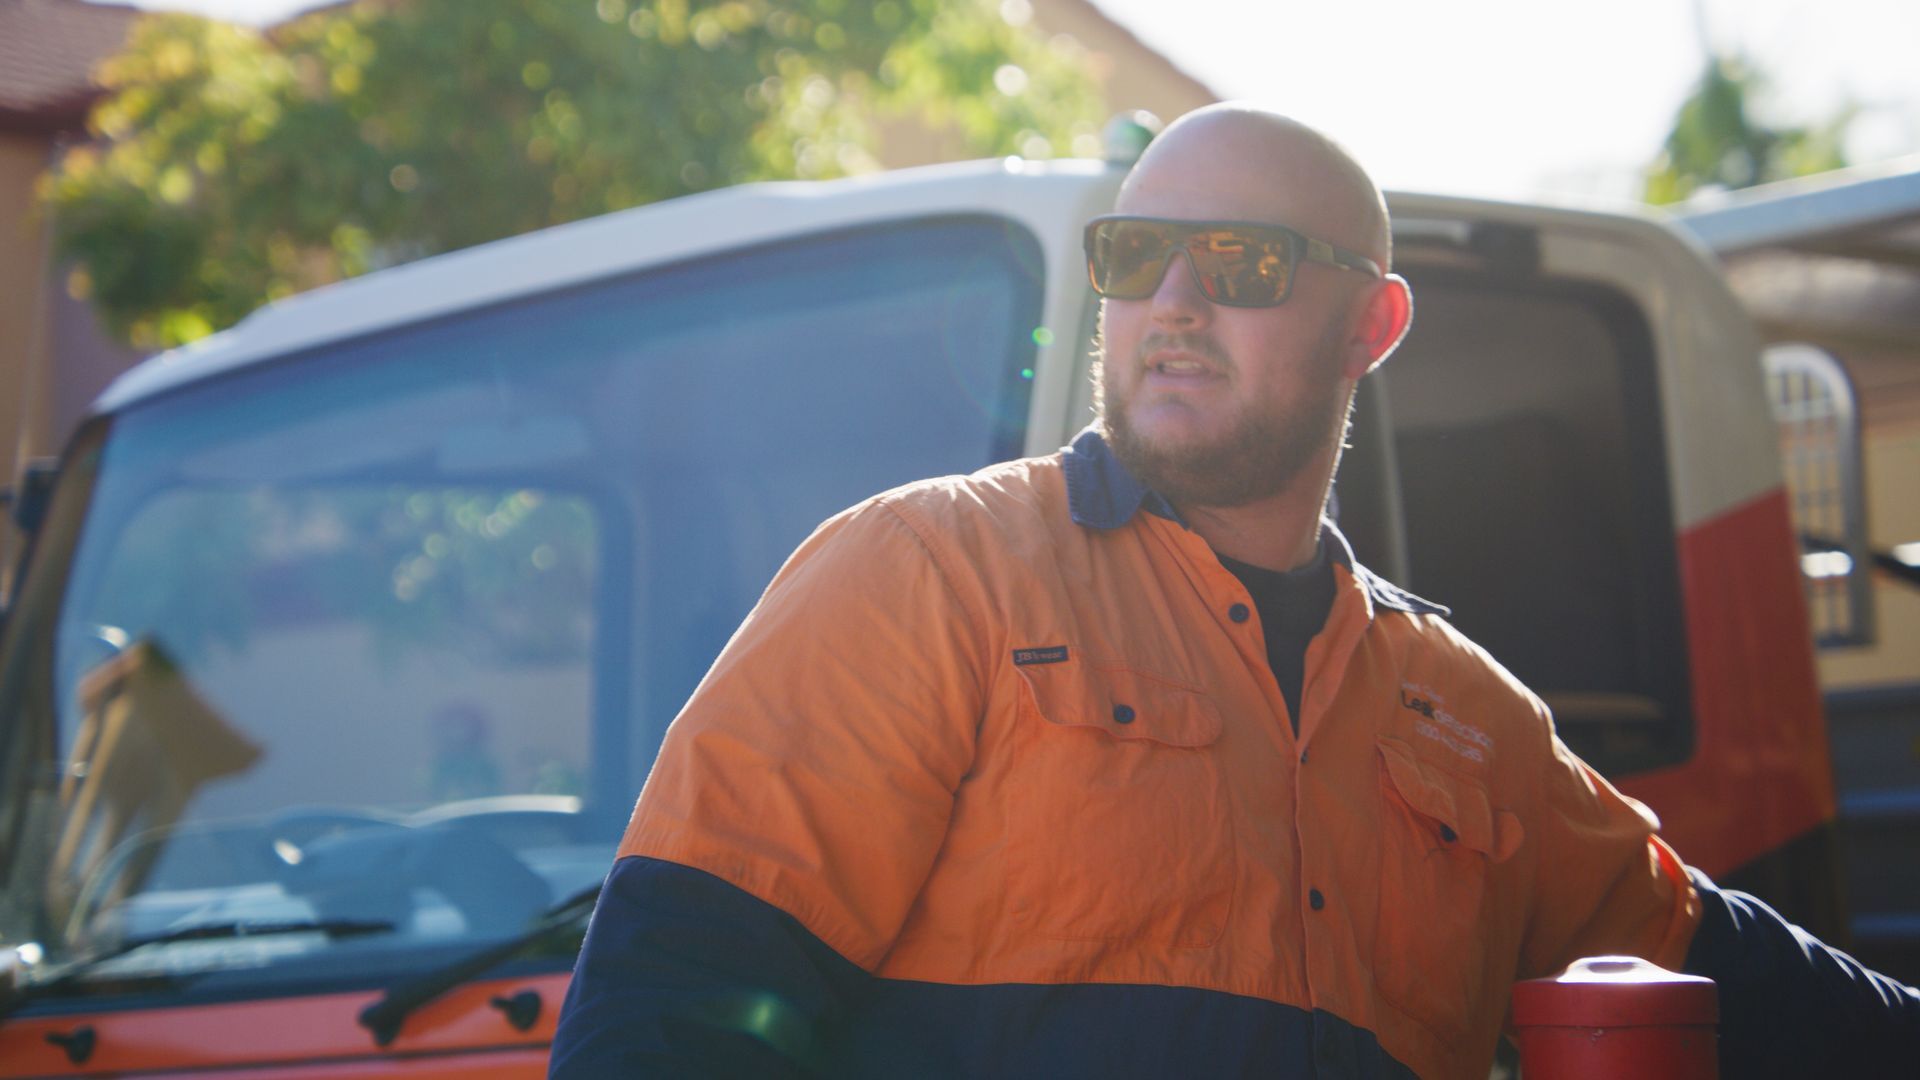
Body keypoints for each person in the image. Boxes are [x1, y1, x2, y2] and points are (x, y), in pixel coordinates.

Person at [549, 104, 1919, 1079]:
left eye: (1246, 263)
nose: (1177, 302)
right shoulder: (918, 576)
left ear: (1370, 326)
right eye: (1135, 259)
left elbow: (1721, 970)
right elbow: (672, 1013)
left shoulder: (1467, 719)